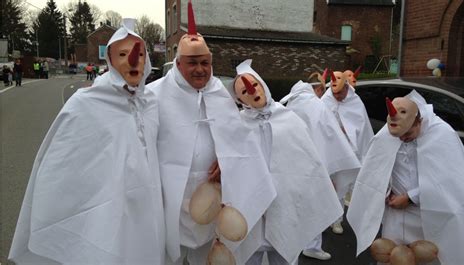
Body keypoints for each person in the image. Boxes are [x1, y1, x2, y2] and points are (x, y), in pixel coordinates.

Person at [8, 18, 166, 265]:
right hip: (105, 208)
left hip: (145, 208)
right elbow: (61, 163)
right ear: (110, 61)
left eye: (140, 54)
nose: (133, 60)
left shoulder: (152, 104)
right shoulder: (86, 102)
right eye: (122, 54)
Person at [147, 2, 276, 264]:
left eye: (205, 63)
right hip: (168, 198)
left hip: (211, 197)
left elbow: (239, 142)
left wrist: (226, 161)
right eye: (192, 63)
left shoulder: (220, 92)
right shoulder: (155, 95)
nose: (200, 69)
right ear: (179, 63)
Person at [229, 60, 343, 265]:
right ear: (239, 99)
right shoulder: (237, 125)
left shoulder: (289, 119)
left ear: (262, 85)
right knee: (248, 258)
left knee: (283, 257)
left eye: (254, 85)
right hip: (252, 213)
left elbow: (308, 161)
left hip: (285, 206)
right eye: (244, 92)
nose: (252, 92)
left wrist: (322, 183)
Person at [347, 91, 464, 265]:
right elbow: (375, 171)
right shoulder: (390, 131)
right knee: (392, 258)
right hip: (396, 216)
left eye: (408, 134)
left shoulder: (442, 134)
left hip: (430, 215)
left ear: (419, 121)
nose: (403, 139)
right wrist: (384, 191)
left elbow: (450, 181)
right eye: (400, 137)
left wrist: (411, 197)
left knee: (429, 257)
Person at [280, 78, 361, 261]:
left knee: (294, 206)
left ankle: (293, 242)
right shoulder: (317, 106)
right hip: (314, 166)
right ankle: (312, 246)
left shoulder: (289, 105)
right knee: (314, 206)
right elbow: (329, 138)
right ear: (316, 89)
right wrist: (329, 172)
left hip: (290, 164)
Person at [321, 70, 374, 234]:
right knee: (333, 187)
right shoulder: (325, 101)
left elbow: (362, 126)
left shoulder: (355, 101)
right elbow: (320, 125)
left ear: (346, 88)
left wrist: (348, 130)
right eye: (334, 94)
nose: (337, 97)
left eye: (340, 93)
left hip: (352, 151)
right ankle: (331, 219)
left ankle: (349, 220)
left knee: (350, 187)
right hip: (332, 152)